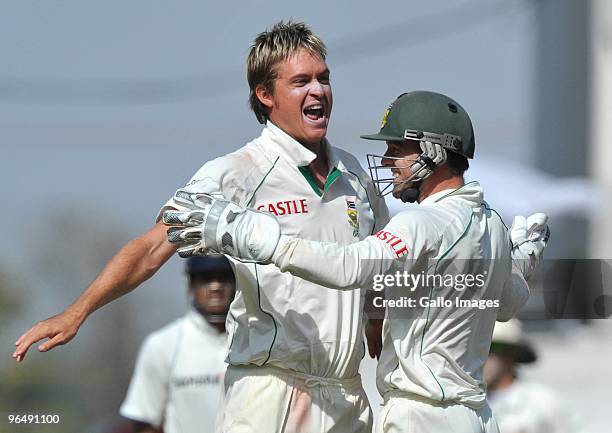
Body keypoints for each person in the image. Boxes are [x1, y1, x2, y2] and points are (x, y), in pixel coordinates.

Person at [13, 21, 388, 433]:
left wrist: (374, 317)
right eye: (300, 82)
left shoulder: (353, 172)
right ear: (265, 95)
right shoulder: (237, 172)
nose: (318, 91)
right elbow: (153, 247)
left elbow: (379, 259)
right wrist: (76, 312)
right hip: (272, 391)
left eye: (324, 79)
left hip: (347, 395)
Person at [162, 90, 549, 433]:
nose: (385, 160)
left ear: (431, 153)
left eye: (397, 150)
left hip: (422, 415)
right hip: (477, 416)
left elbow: (350, 266)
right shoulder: (493, 224)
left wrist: (251, 235)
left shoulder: (423, 224)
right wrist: (522, 262)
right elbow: (508, 302)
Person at [120, 256, 235, 433]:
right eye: (205, 278)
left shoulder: (260, 341)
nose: (216, 287)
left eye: (224, 277)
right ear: (190, 284)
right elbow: (144, 422)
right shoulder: (163, 344)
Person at [484, 319, 584, 433]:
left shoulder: (543, 403)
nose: (481, 358)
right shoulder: (467, 403)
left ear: (511, 353)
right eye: (475, 350)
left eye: (490, 348)